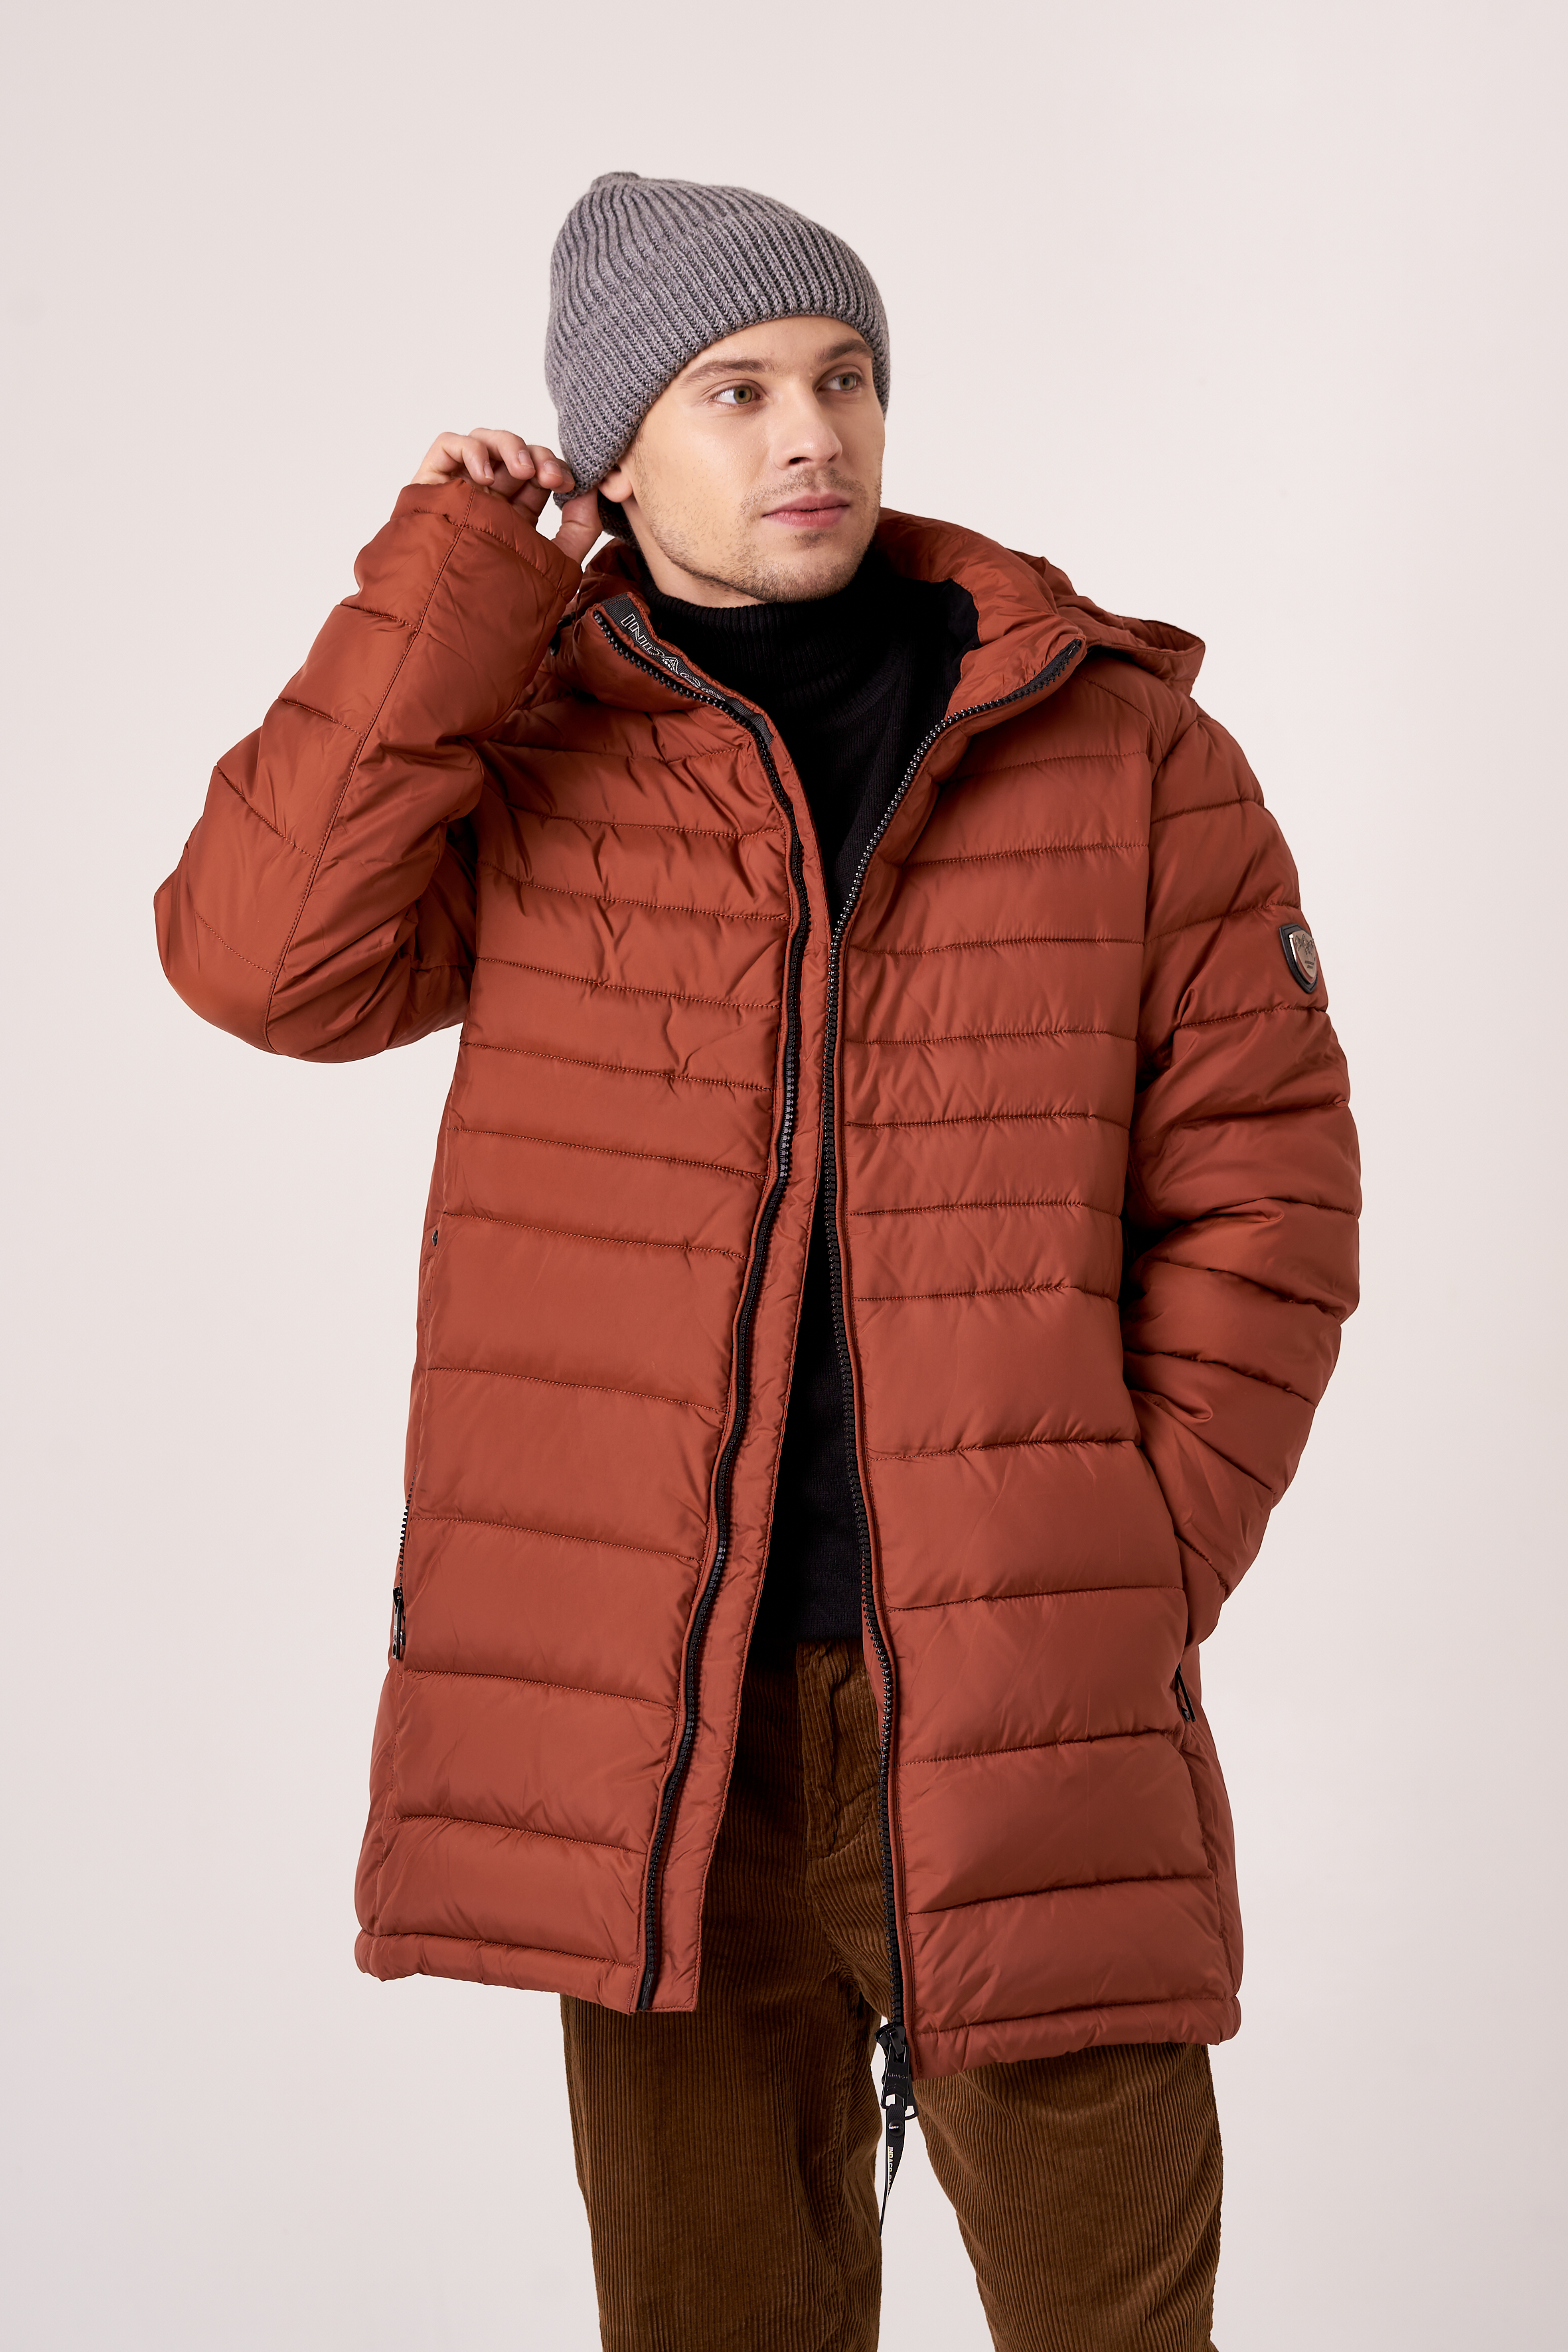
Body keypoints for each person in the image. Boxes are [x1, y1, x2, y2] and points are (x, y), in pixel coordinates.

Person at [155, 170, 1360, 2351]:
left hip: (1010, 1699)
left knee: (1116, 2319)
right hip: (665, 1721)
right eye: (733, 391)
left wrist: (1126, 1552)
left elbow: (1264, 1188)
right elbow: (259, 963)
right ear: (611, 454)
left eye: (842, 377)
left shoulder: (1117, 745)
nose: (811, 432)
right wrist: (447, 580)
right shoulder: (529, 741)